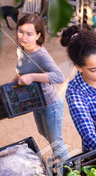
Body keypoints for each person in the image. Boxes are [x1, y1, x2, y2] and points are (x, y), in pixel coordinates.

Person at [13, 14, 70, 160]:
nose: (23, 37)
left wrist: (32, 77)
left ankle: (70, 169)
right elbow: (21, 70)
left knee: (57, 142)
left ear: (38, 35)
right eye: (21, 31)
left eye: (29, 34)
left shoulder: (41, 55)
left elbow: (59, 77)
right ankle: (57, 152)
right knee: (43, 132)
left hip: (51, 105)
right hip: (37, 103)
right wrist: (11, 84)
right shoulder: (22, 49)